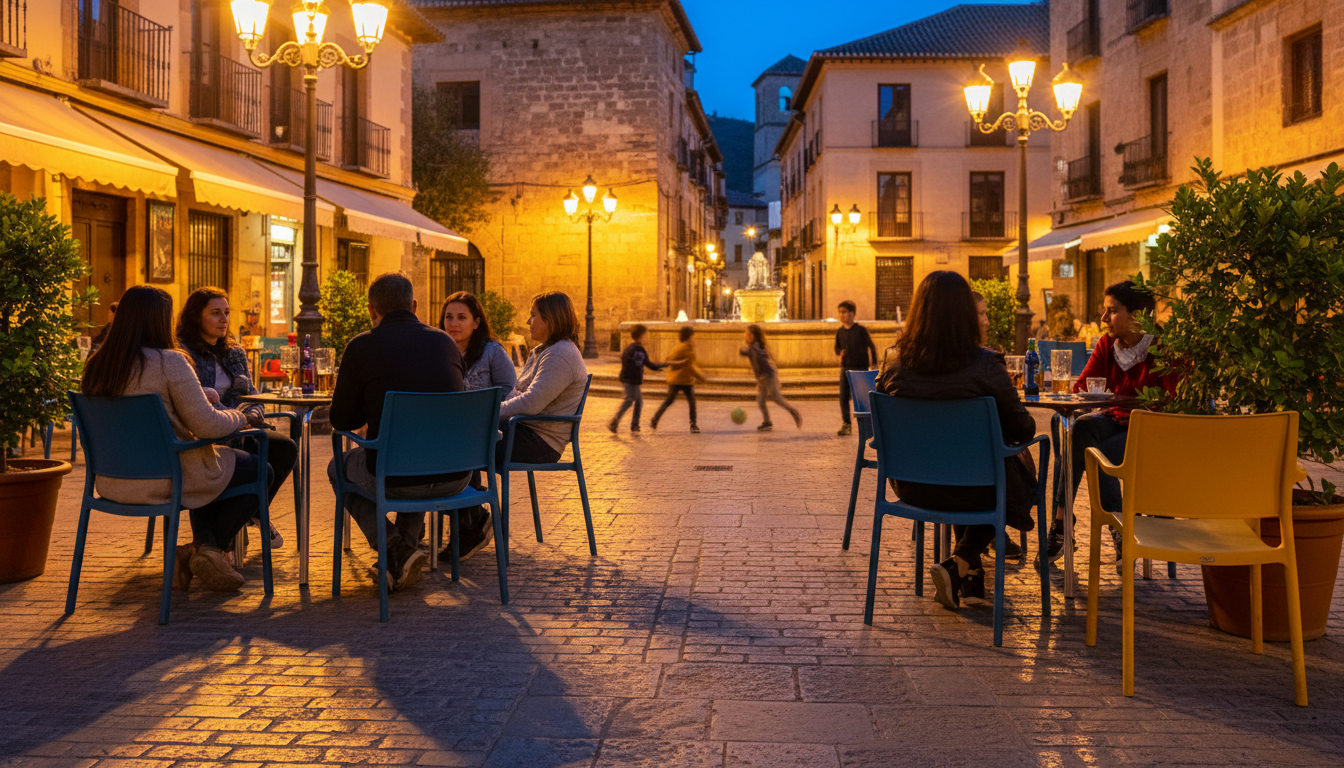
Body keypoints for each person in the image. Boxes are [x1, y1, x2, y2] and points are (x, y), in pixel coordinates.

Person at [80, 285, 272, 592]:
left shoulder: (96, 365)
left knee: (227, 466)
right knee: (260, 468)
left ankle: (202, 549)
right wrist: (244, 417)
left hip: (110, 481)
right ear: (159, 320)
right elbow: (208, 426)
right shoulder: (170, 361)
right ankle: (204, 549)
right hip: (167, 479)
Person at [876, 271, 1040, 611]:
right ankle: (960, 561)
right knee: (1005, 469)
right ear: (966, 313)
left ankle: (969, 574)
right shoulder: (984, 364)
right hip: (974, 487)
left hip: (910, 484)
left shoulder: (893, 361)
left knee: (965, 469)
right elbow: (1024, 429)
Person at [327, 273, 472, 591]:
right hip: (457, 475)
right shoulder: (446, 343)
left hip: (398, 478)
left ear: (371, 311)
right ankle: (401, 558)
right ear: (414, 306)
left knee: (339, 467)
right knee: (419, 454)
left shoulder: (362, 346)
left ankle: (394, 546)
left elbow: (341, 420)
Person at [1046, 280, 1177, 563]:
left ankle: (1113, 531)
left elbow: (1173, 403)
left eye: (1112, 311)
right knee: (1077, 428)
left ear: (1137, 315)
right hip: (1115, 422)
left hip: (1150, 432)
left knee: (1095, 452)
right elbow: (1080, 390)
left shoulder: (1164, 348)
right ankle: (1064, 522)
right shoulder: (1107, 344)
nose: (1104, 319)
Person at [176, 287, 296, 553]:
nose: (224, 320)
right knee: (224, 455)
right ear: (197, 317)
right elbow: (190, 404)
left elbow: (252, 395)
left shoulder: (234, 352)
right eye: (215, 313)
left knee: (284, 447)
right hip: (203, 431)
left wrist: (249, 417)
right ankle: (220, 544)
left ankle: (249, 513)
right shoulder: (181, 353)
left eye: (227, 313)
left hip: (240, 427)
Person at [498, 291, 590, 463]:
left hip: (540, 443)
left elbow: (531, 403)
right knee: (468, 432)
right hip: (523, 430)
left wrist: (490, 413)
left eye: (533, 315)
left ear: (551, 319)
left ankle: (458, 488)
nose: (528, 322)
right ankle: (469, 488)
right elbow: (521, 393)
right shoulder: (543, 351)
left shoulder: (560, 354)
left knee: (469, 441)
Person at [439, 291, 517, 393]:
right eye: (449, 317)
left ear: (476, 323)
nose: (454, 323)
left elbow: (508, 392)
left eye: (461, 317)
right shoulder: (438, 353)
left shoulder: (492, 352)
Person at [741, 324, 801, 431]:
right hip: (763, 378)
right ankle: (767, 421)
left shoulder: (755, 348)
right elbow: (750, 353)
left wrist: (744, 352)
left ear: (754, 336)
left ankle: (793, 412)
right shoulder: (755, 346)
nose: (746, 336)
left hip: (768, 376)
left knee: (776, 398)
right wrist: (744, 351)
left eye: (749, 334)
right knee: (760, 400)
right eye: (746, 334)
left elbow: (759, 357)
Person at [650, 325, 707, 433]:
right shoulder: (681, 348)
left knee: (682, 401)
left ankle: (655, 419)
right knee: (676, 401)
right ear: (688, 337)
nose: (694, 339)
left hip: (685, 380)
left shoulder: (687, 347)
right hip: (677, 380)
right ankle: (692, 425)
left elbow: (690, 365)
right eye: (692, 337)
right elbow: (669, 361)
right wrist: (701, 378)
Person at [609, 323, 664, 433]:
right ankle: (615, 422)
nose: (647, 337)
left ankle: (634, 425)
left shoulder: (640, 349)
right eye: (645, 335)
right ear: (641, 336)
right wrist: (629, 374)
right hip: (630, 379)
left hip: (634, 380)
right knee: (629, 400)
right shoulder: (632, 349)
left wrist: (660, 367)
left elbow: (648, 363)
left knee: (637, 401)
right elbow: (625, 361)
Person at [835, 300, 877, 436]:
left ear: (852, 314)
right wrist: (839, 354)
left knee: (862, 398)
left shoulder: (860, 331)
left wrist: (874, 362)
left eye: (844, 312)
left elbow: (871, 346)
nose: (841, 315)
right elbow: (837, 347)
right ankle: (846, 424)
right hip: (845, 369)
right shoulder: (840, 332)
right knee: (843, 397)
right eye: (840, 312)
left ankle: (867, 426)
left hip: (860, 369)